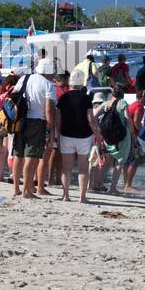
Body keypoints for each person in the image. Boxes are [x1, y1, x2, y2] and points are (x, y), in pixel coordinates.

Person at [13, 58, 57, 199]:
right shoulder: (48, 85)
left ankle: (16, 189)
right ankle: (27, 191)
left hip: (21, 120)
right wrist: (50, 130)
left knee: (18, 155)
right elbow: (49, 109)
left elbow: (14, 96)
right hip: (38, 121)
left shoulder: (25, 79)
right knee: (31, 157)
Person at [56, 72, 102, 202]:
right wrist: (98, 134)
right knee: (83, 168)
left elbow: (58, 119)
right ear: (82, 83)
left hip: (66, 135)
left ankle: (66, 196)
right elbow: (90, 119)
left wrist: (57, 135)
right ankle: (82, 197)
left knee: (67, 168)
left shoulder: (63, 98)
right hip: (84, 136)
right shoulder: (86, 98)